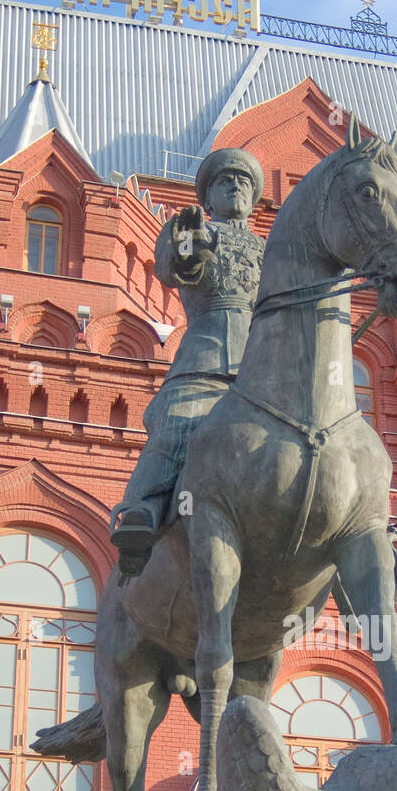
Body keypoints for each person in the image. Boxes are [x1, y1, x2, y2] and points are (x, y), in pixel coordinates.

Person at [110, 147, 266, 575]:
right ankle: (140, 513)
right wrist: (188, 245)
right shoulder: (191, 229)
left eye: (243, 183)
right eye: (224, 182)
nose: (235, 186)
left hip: (268, 372)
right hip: (205, 361)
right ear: (208, 199)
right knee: (177, 427)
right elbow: (173, 267)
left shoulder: (271, 248)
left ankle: (370, 546)